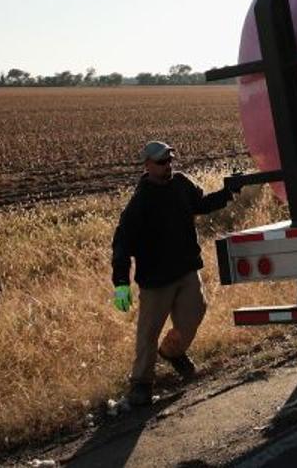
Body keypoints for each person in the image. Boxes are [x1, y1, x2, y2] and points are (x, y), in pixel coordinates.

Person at [111, 140, 234, 406]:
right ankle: (141, 385)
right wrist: (121, 282)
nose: (168, 166)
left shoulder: (180, 183)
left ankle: (172, 352)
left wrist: (227, 192)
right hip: (156, 281)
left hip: (187, 269)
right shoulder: (140, 202)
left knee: (195, 314)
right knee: (148, 333)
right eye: (161, 162)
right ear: (147, 165)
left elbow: (200, 205)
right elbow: (121, 244)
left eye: (169, 161)